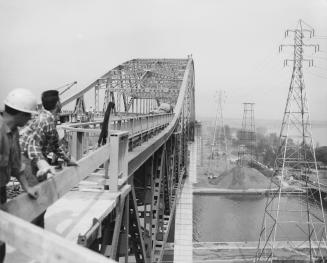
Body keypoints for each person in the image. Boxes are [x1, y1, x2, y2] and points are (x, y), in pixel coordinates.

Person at [20, 90, 77, 228]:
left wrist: (68, 159)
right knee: (37, 198)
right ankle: (32, 232)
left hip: (32, 158)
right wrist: (42, 164)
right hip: (27, 158)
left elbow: (55, 145)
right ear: (57, 103)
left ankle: (37, 229)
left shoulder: (47, 118)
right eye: (60, 100)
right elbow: (33, 146)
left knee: (40, 197)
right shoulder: (44, 120)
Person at [0, 88, 39, 263]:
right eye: (29, 115)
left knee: (1, 241)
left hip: (1, 191)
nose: (30, 119)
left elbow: (16, 165)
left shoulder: (13, 131)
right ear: (21, 114)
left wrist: (27, 187)